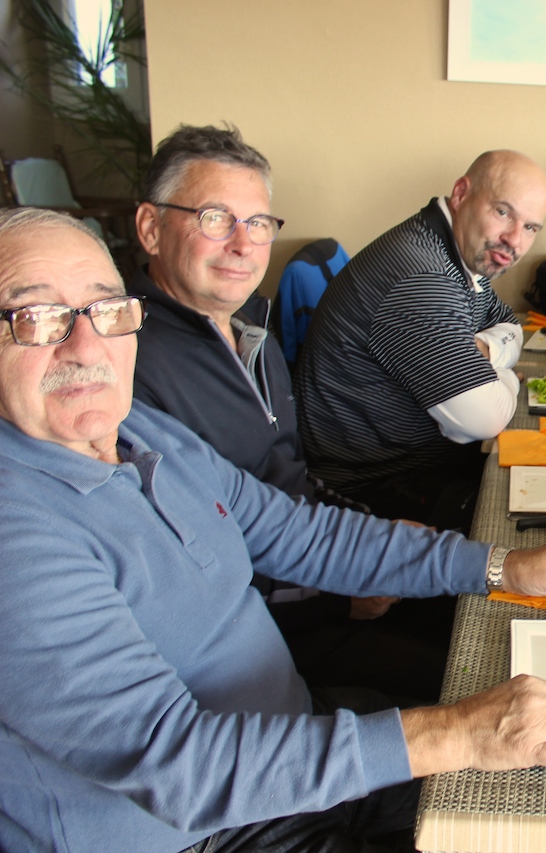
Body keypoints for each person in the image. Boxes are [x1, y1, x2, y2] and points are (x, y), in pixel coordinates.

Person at [0, 207, 546, 853]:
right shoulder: (16, 531)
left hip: (299, 743)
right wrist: (458, 732)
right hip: (207, 830)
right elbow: (180, 766)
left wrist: (501, 567)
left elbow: (301, 536)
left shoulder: (142, 431)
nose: (86, 347)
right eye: (36, 318)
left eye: (106, 310)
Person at [129, 125, 450, 702]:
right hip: (263, 638)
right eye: (214, 218)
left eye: (256, 224)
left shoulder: (255, 332)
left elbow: (292, 482)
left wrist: (373, 537)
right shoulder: (130, 367)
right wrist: (339, 590)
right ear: (151, 229)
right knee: (461, 682)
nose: (243, 245)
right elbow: (186, 565)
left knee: (484, 613)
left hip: (314, 583)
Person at [295, 150, 546, 530]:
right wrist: (506, 376)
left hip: (414, 462)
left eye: (530, 227)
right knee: (537, 521)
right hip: (369, 491)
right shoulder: (422, 278)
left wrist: (484, 353)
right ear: (461, 193)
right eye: (503, 212)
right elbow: (486, 419)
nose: (514, 239)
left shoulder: (454, 251)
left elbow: (510, 324)